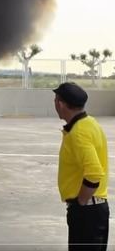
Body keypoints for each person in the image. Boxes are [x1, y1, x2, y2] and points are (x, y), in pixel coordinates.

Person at [54, 82, 109, 250]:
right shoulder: (89, 123)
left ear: (61, 104)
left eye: (56, 99)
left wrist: (80, 202)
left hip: (87, 213)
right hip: (95, 210)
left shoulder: (79, 133)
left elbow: (94, 174)